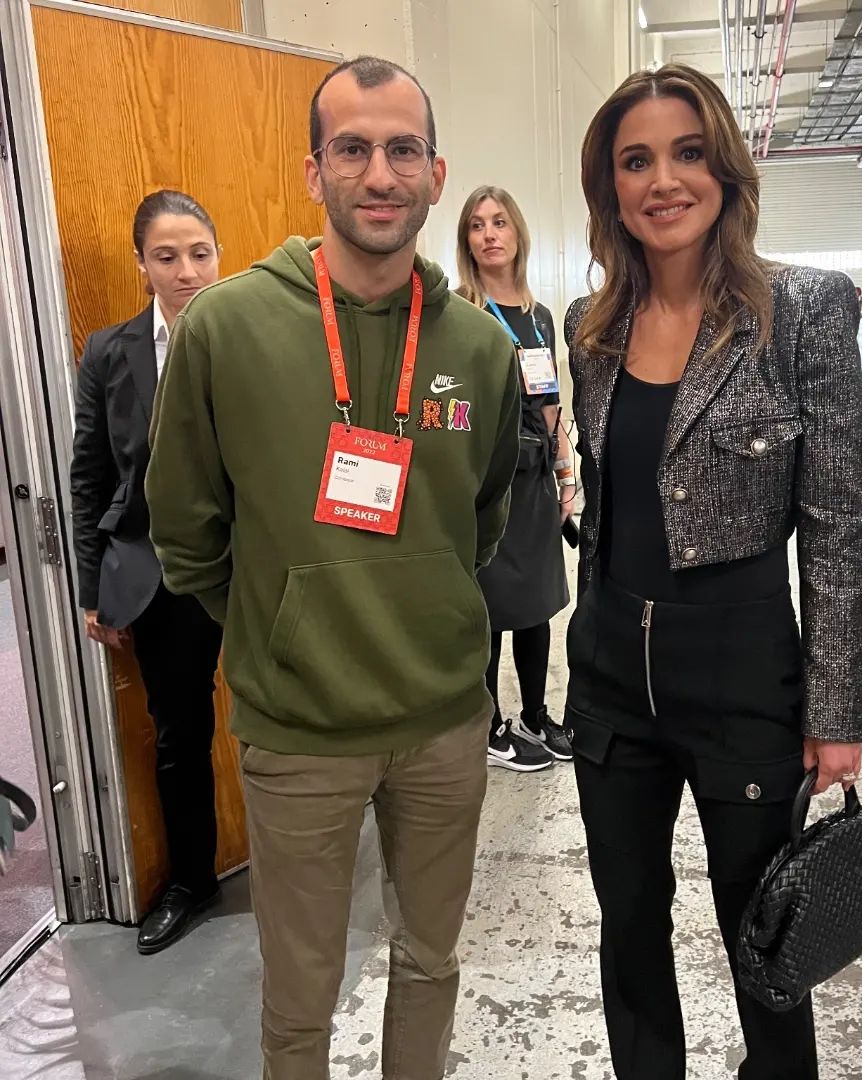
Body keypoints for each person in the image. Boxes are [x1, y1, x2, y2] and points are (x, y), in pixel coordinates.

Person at [145, 57, 521, 1080]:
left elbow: (481, 515)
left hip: (444, 721)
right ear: (314, 172)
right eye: (352, 148)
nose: (380, 172)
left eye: (403, 148)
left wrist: (419, 600)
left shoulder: (478, 349)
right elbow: (182, 525)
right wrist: (278, 621)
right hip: (298, 734)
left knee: (431, 960)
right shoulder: (225, 327)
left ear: (437, 172)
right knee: (299, 999)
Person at [563, 63, 862, 1080]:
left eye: (687, 153)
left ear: (726, 168)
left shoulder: (803, 312)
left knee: (765, 940)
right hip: (612, 677)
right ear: (610, 188)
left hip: (743, 678)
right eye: (635, 160)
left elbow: (836, 523)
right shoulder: (591, 328)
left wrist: (835, 708)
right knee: (629, 927)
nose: (663, 180)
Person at [70, 190, 224, 955]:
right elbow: (90, 478)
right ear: (143, 264)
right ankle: (194, 879)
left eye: (199, 252)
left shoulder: (251, 338)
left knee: (289, 726)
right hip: (157, 579)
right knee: (178, 735)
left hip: (248, 572)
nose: (186, 270)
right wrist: (91, 589)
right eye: (167, 256)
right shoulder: (108, 352)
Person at [456, 186, 573, 772]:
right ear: (467, 241)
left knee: (536, 603)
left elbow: (549, 397)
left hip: (534, 482)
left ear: (518, 232)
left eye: (500, 222)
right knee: (491, 608)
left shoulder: (538, 315)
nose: (490, 234)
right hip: (487, 483)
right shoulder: (462, 313)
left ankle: (534, 713)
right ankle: (489, 724)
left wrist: (563, 470)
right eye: (477, 226)